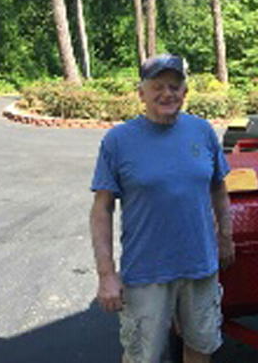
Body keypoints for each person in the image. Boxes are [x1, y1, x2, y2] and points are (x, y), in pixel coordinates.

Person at [89, 54, 235, 363]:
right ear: (141, 92)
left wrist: (225, 238)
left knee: (200, 348)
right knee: (143, 356)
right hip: (146, 272)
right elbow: (102, 209)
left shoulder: (202, 132)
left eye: (175, 85)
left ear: (185, 91)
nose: (167, 93)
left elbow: (219, 190)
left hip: (200, 267)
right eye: (158, 86)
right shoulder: (118, 141)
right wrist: (106, 274)